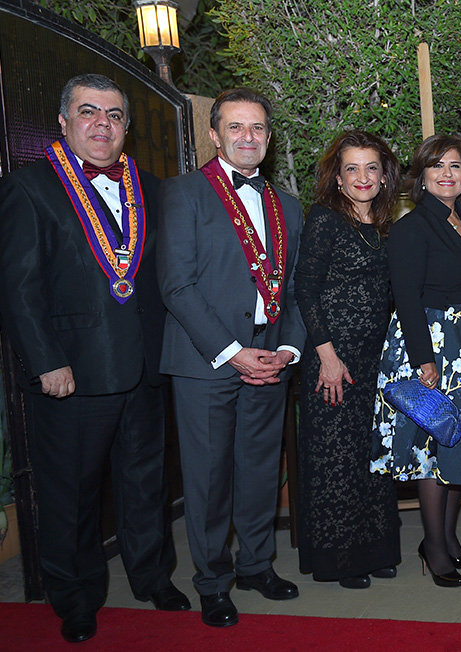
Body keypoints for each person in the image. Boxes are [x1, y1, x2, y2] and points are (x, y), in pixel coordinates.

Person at [0, 73, 189, 643]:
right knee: (72, 495)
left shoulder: (151, 188)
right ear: (64, 121)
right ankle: (76, 598)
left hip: (145, 368)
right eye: (89, 111)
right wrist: (45, 361)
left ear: (125, 127)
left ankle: (153, 577)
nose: (102, 124)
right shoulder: (28, 187)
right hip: (73, 373)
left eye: (114, 115)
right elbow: (18, 288)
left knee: (147, 485)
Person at [158, 88, 306, 626]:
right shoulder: (184, 194)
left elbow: (296, 290)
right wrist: (233, 352)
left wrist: (286, 350)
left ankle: (257, 566)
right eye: (236, 127)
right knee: (209, 478)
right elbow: (177, 287)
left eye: (258, 128)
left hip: (270, 360)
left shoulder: (288, 205)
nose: (248, 137)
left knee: (261, 471)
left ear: (269, 137)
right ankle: (213, 582)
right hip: (206, 363)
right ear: (214, 134)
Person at [371, 134, 461, 588]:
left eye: (456, 166)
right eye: (436, 165)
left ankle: (447, 536)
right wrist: (425, 360)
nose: (447, 173)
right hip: (429, 345)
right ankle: (434, 547)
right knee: (432, 447)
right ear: (421, 176)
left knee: (457, 440)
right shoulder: (411, 228)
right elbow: (405, 297)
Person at [293, 130, 402, 589]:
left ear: (384, 176)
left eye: (371, 168)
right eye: (351, 168)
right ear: (337, 178)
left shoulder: (384, 225)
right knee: (335, 459)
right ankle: (340, 559)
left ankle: (375, 549)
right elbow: (305, 290)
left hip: (373, 360)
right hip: (333, 360)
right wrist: (328, 357)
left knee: (370, 455)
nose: (362, 177)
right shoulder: (325, 219)